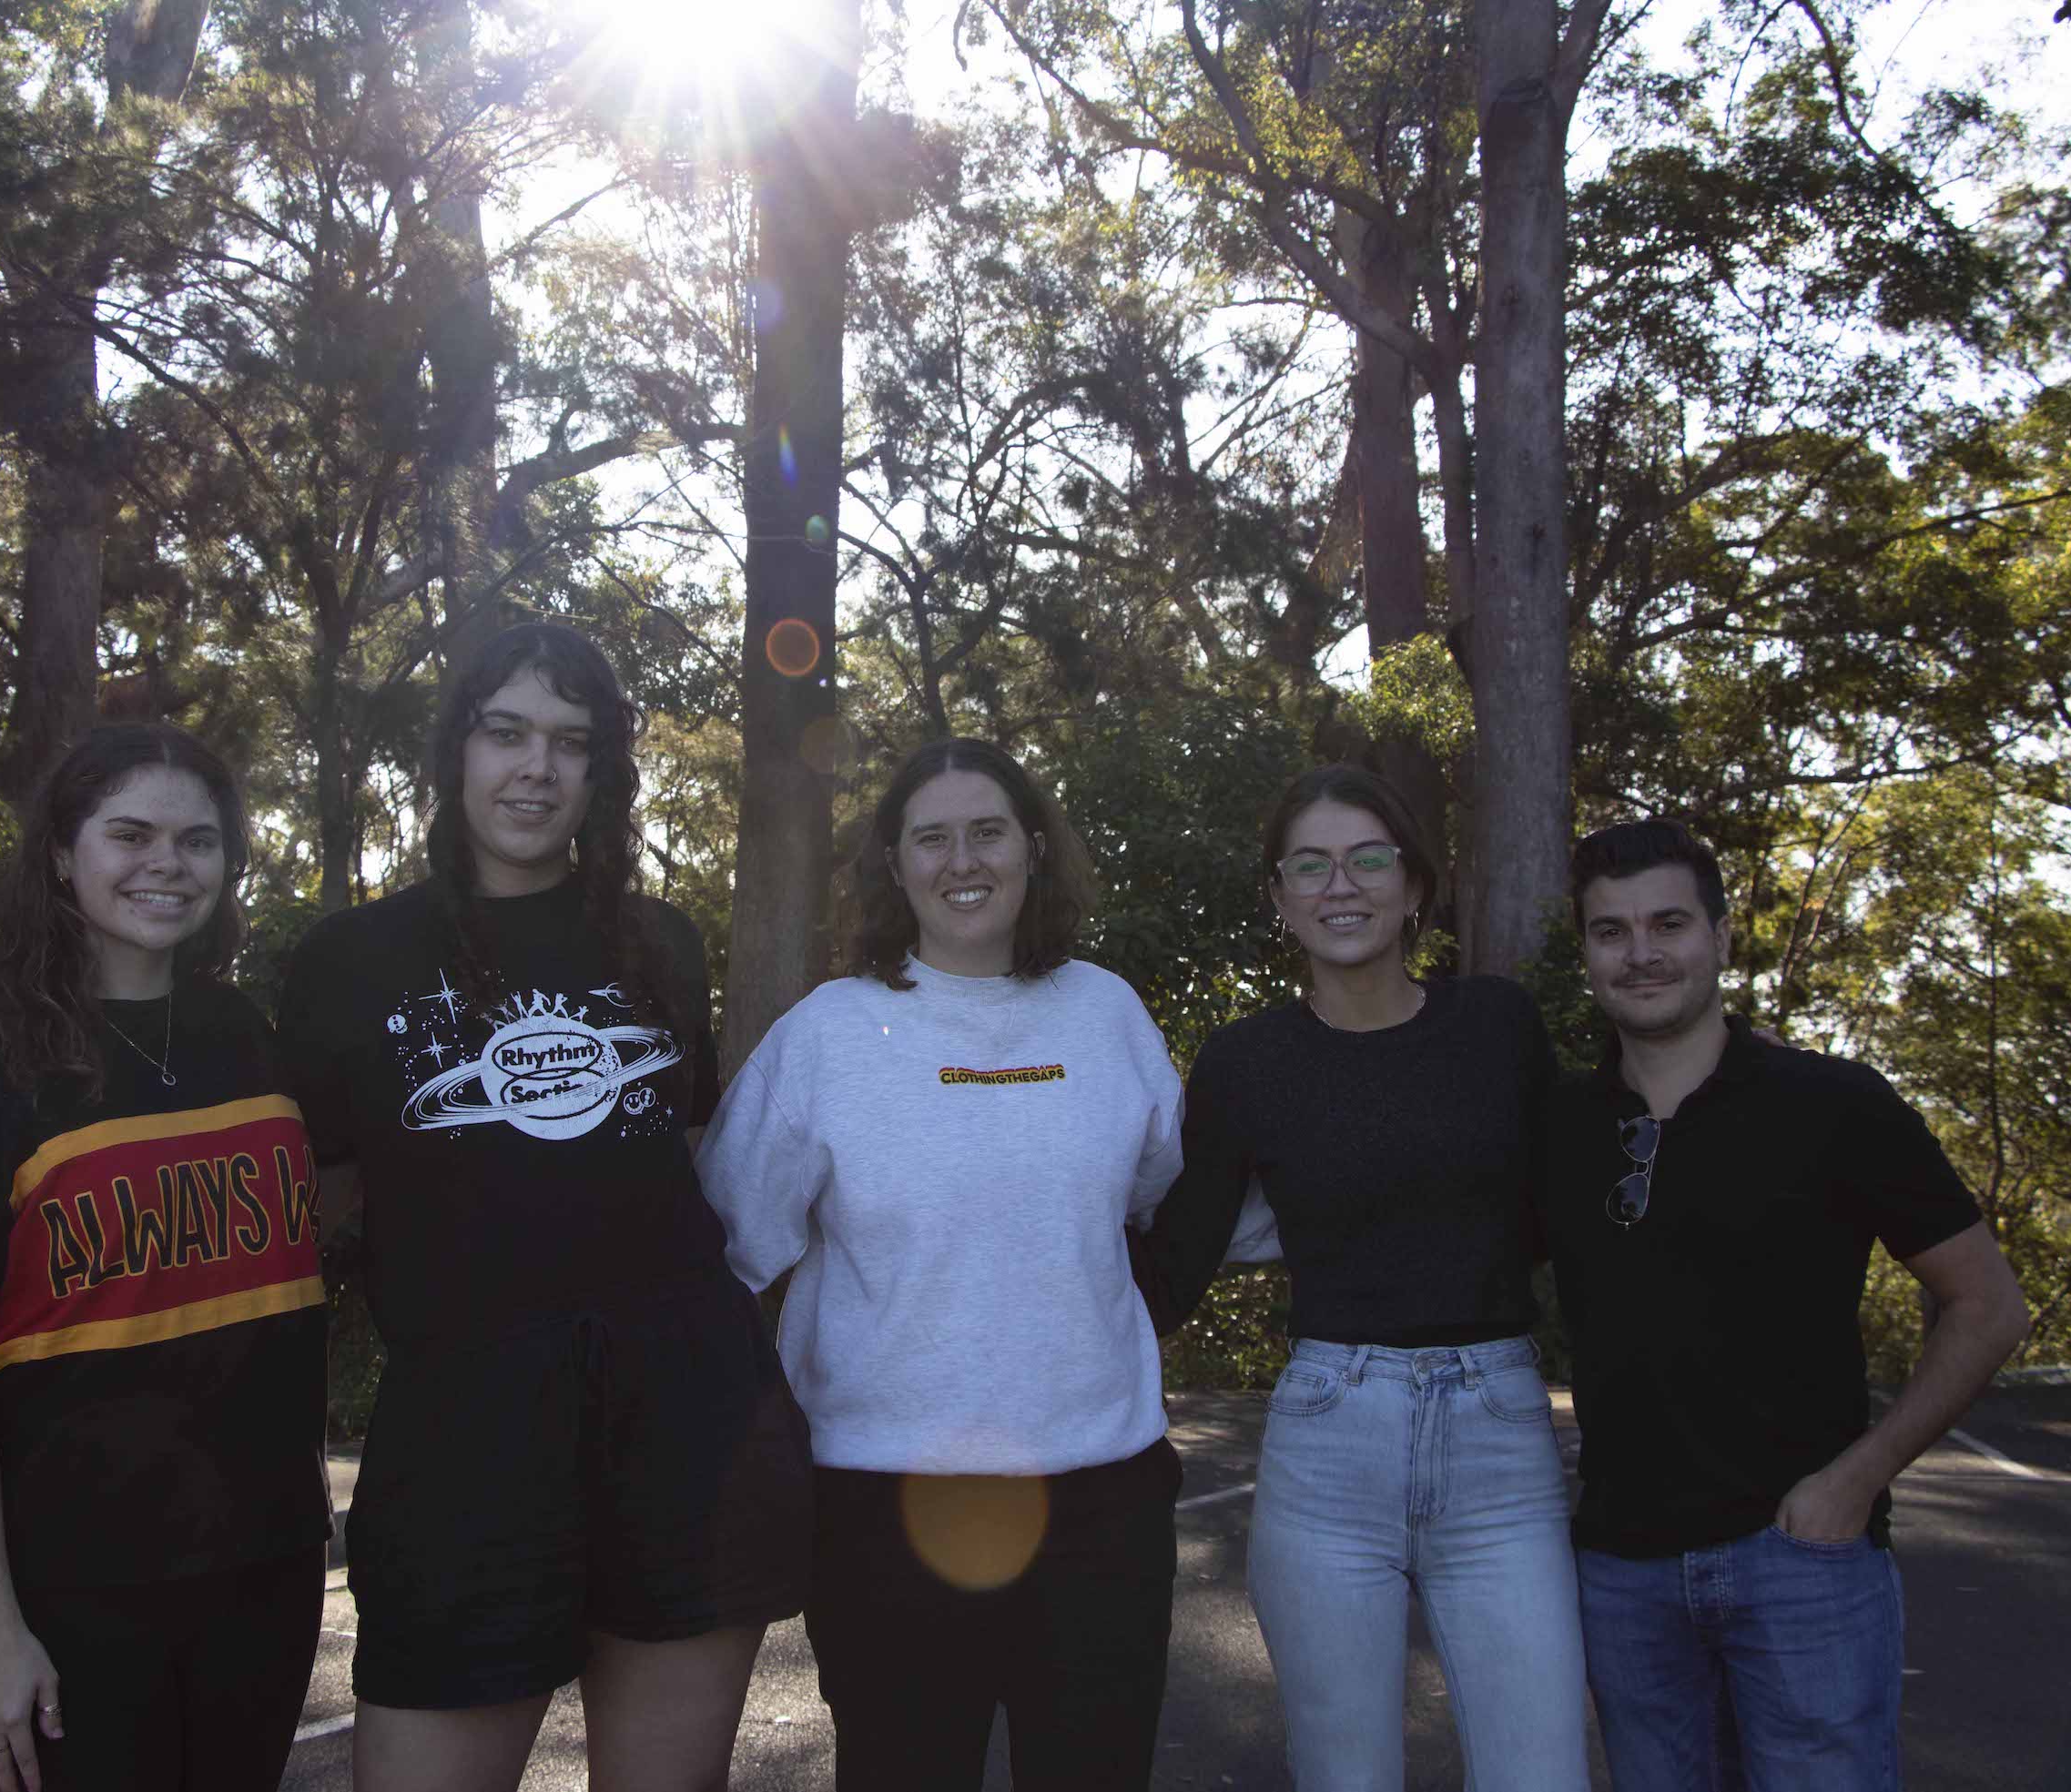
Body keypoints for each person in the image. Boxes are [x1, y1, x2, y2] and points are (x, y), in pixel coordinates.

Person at [274, 621, 811, 1792]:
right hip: (464, 1436)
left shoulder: (658, 942)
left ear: (602, 772)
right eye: (506, 732)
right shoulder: (348, 960)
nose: (536, 768)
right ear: (454, 754)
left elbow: (681, 1160)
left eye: (571, 743)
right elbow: (312, 1214)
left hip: (683, 1420)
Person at [696, 737, 1186, 1792]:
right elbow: (725, 1249)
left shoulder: (1108, 1016)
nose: (962, 859)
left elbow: (1155, 1198)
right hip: (885, 1511)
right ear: (893, 864)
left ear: (1034, 850)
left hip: (1102, 1504)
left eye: (988, 831)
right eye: (931, 837)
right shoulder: (825, 1037)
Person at [0, 723, 330, 1792]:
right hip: (64, 1589)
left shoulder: (246, 1035)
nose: (166, 864)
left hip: (260, 1568)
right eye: (129, 833)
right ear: (58, 853)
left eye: (198, 840)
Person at [1132, 763, 1589, 1792]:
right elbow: (1172, 1268)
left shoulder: (1497, 1027)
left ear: (1415, 884)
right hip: (1328, 1444)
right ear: (1280, 898)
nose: (1341, 885)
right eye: (1311, 864)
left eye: (1367, 857)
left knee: (1543, 1776)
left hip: (1500, 1445)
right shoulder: (1245, 1061)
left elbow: (1564, 1221)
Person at [1548, 819, 2031, 1790]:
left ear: (1722, 938)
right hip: (1621, 1573)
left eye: (1669, 923)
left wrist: (1855, 1479)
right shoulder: (1556, 1127)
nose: (1641, 952)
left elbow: (1986, 1305)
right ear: (1587, 953)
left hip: (1800, 1560)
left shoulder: (1834, 1104)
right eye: (1611, 931)